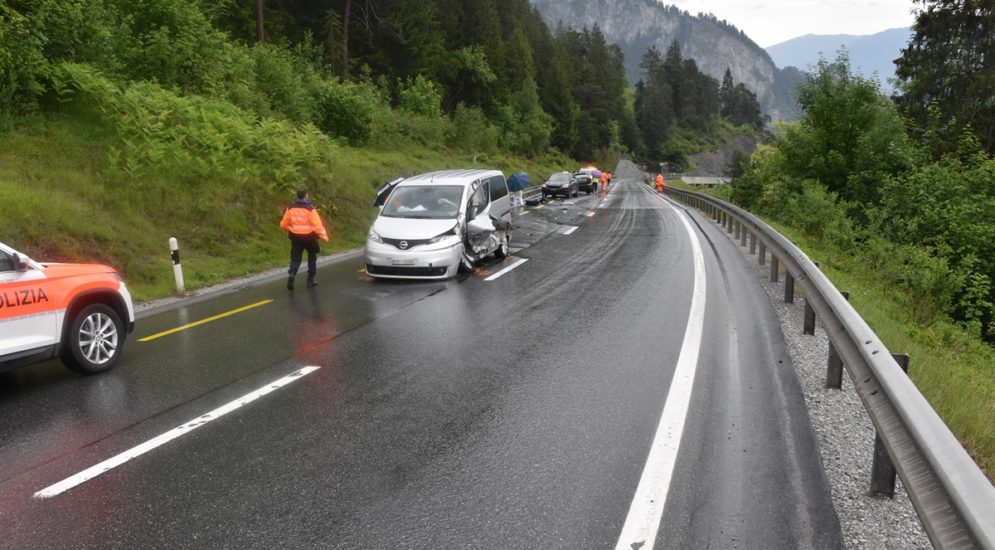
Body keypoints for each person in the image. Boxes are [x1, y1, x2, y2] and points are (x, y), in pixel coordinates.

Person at [280, 189, 329, 290]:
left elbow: (283, 225)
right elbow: (318, 226)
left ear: (297, 196)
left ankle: (292, 273)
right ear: (306, 196)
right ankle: (310, 281)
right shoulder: (310, 209)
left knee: (295, 258)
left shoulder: (290, 208)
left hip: (296, 238)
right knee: (312, 258)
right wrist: (324, 236)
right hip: (310, 238)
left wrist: (289, 228)